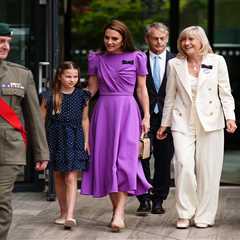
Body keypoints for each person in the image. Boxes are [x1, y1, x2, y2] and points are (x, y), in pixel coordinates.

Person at [157, 26, 237, 229]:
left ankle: (204, 215)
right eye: (183, 39)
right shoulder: (174, 63)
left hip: (211, 121)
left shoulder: (216, 61)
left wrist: (230, 117)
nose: (186, 43)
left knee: (208, 170)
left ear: (202, 41)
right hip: (182, 120)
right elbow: (170, 96)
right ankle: (185, 212)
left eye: (191, 39)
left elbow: (225, 92)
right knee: (183, 165)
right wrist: (164, 124)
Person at [81, 20, 152, 232]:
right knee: (107, 162)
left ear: (124, 39)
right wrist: (74, 99)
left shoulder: (137, 57)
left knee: (124, 162)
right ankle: (117, 212)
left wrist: (146, 116)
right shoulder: (96, 58)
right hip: (104, 112)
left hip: (128, 112)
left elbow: (141, 89)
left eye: (114, 38)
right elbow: (92, 88)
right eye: (107, 38)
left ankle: (119, 212)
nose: (109, 42)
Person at [0, 23, 49, 240]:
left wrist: (41, 153)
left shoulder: (21, 75)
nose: (6, 47)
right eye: (1, 41)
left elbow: (34, 118)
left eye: (8, 42)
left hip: (8, 149)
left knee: (1, 199)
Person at [40, 61, 90, 229]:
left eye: (75, 76)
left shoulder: (82, 95)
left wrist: (87, 140)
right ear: (60, 76)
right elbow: (40, 121)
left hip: (75, 137)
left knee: (70, 176)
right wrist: (41, 144)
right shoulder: (49, 95)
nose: (72, 79)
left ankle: (70, 215)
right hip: (55, 138)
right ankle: (62, 213)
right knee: (58, 176)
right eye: (68, 76)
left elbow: (85, 119)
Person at [136, 22, 175, 216]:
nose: (159, 42)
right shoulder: (139, 59)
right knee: (141, 157)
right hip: (143, 117)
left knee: (163, 160)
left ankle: (159, 199)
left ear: (167, 38)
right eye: (154, 38)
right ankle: (143, 198)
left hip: (168, 118)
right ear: (147, 39)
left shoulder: (176, 61)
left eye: (162, 38)